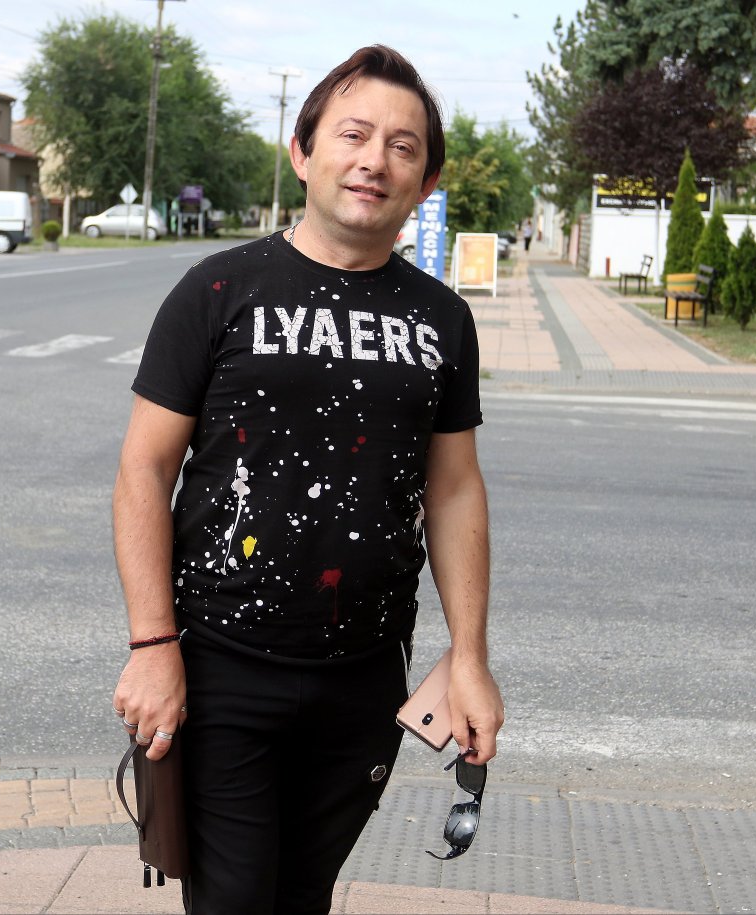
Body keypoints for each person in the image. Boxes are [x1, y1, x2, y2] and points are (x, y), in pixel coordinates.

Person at [112, 45, 504, 914]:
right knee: (234, 899)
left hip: (365, 677)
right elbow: (144, 467)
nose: (375, 161)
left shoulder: (442, 320)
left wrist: (470, 658)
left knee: (302, 896)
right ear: (302, 151)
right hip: (220, 667)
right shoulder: (218, 289)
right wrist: (152, 645)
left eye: (402, 146)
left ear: (427, 180)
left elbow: (454, 490)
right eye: (353, 135)